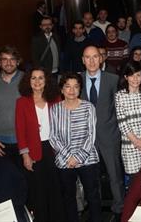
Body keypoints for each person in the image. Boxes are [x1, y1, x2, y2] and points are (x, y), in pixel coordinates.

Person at [14, 67, 65, 221]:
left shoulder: (56, 99)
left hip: (55, 149)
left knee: (56, 188)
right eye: (33, 78)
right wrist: (25, 155)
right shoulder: (22, 102)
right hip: (34, 151)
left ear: (46, 80)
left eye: (40, 78)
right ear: (28, 81)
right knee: (38, 191)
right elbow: (20, 130)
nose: (37, 81)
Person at [50, 73, 101, 222]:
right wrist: (68, 157)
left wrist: (78, 157)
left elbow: (91, 135)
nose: (71, 90)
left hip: (87, 158)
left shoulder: (88, 107)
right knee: (68, 196)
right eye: (67, 86)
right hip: (64, 160)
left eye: (76, 86)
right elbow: (53, 136)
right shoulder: (55, 109)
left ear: (80, 89)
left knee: (92, 195)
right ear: (61, 89)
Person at [80, 45, 125, 218]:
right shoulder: (76, 80)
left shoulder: (113, 79)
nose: (91, 61)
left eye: (95, 57)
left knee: (115, 176)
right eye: (87, 57)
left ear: (101, 58)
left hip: (109, 135)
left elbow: (118, 108)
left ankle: (119, 208)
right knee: (92, 178)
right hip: (86, 139)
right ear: (83, 60)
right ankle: (95, 209)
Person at [115, 61, 141, 178]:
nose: (135, 79)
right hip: (129, 144)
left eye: (138, 75)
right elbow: (122, 123)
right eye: (132, 75)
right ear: (126, 77)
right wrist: (137, 143)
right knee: (135, 182)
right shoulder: (119, 96)